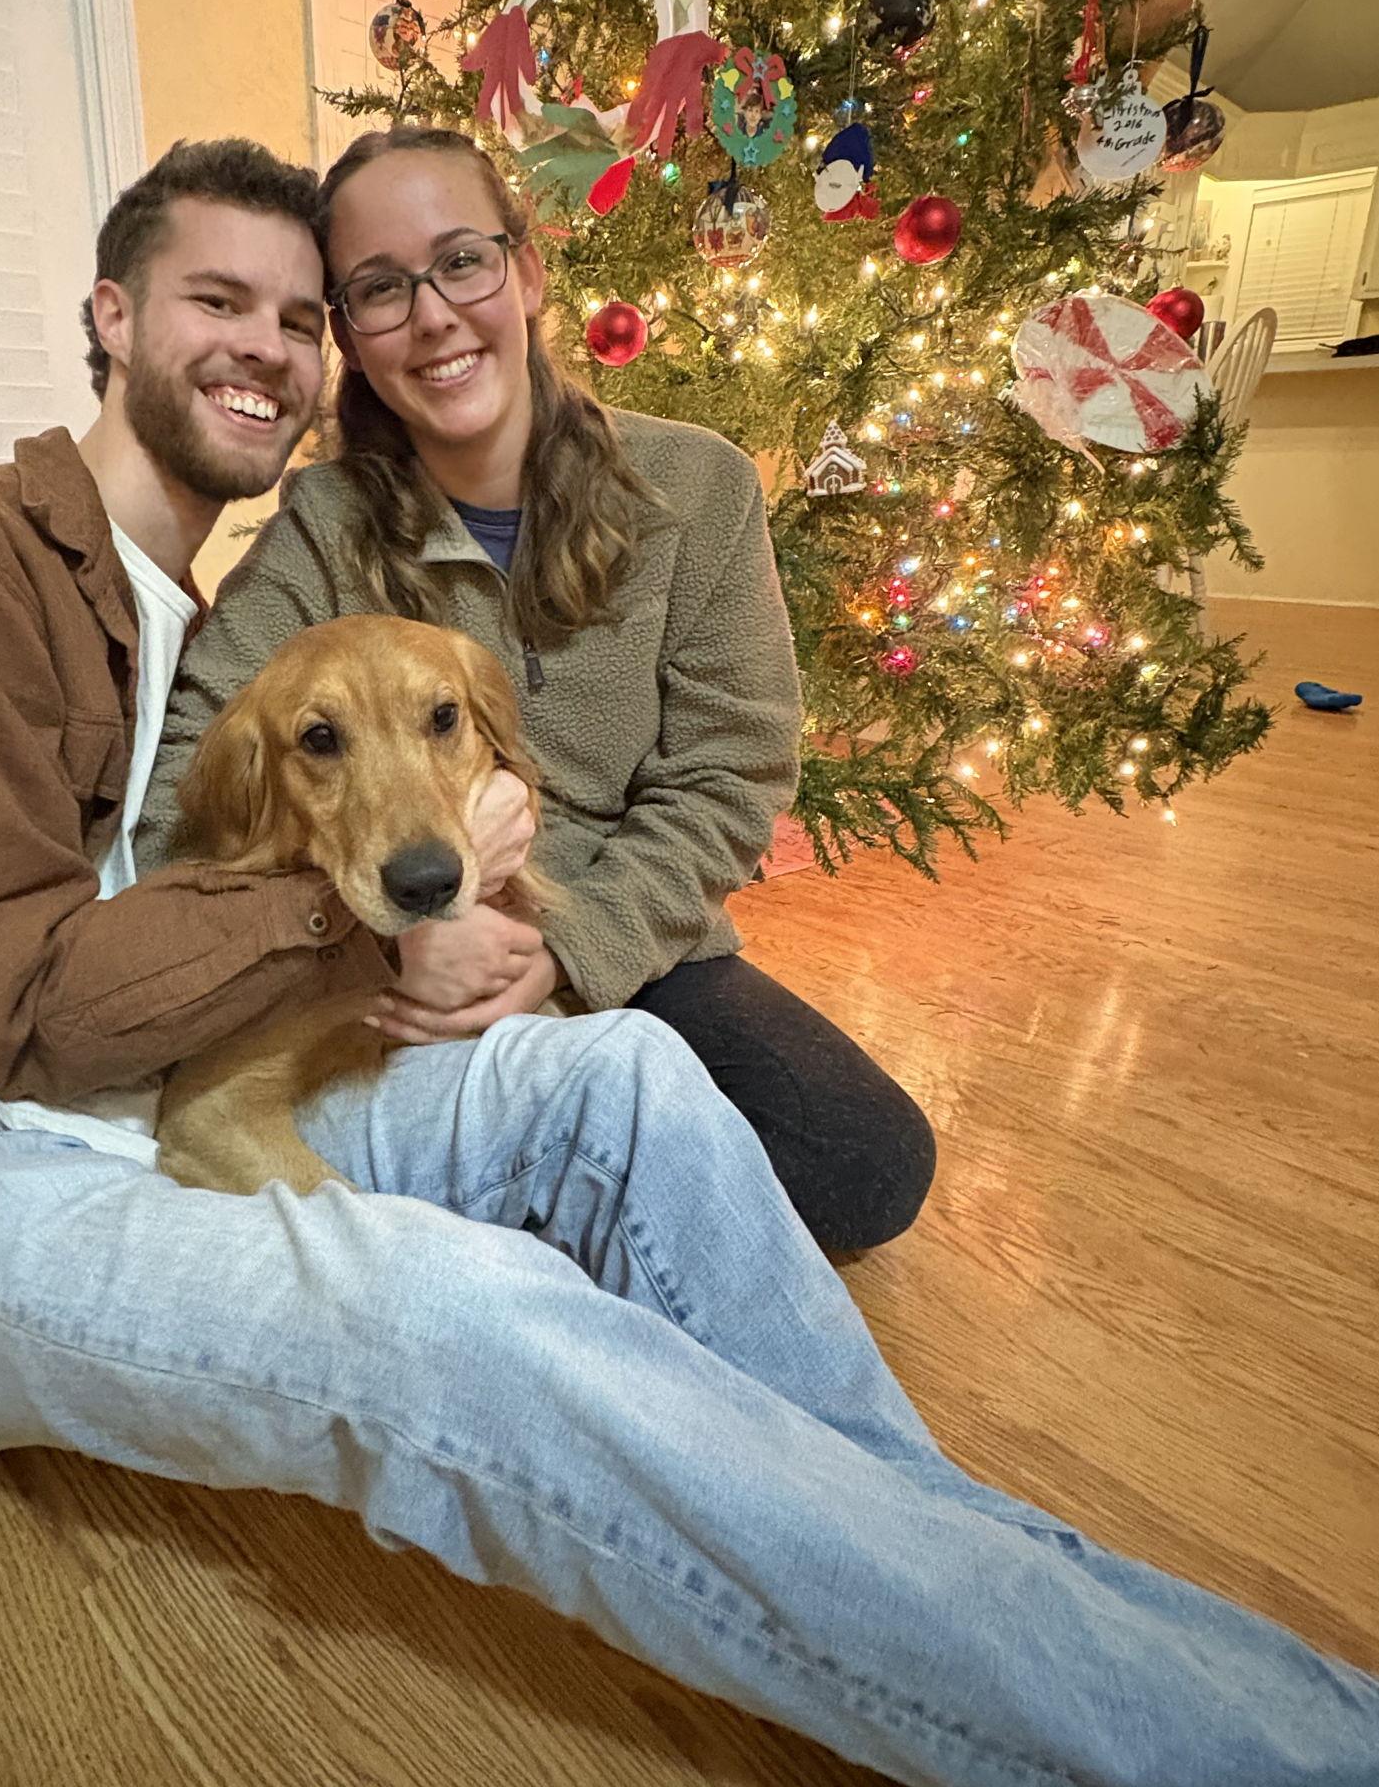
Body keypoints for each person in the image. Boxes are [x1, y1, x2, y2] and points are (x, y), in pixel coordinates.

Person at [0, 138, 1379, 1786]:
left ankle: (971, 1615)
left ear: (507, 282)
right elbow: (59, 981)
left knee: (646, 1079)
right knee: (460, 1318)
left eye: (300, 309)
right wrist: (397, 882)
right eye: (230, 298)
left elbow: (697, 780)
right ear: (110, 316)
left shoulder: (199, 583)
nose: (286, 338)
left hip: (219, 1057)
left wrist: (534, 926)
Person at [137, 123, 934, 1255]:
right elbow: (187, 786)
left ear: (526, 267)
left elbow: (732, 771)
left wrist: (569, 950)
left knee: (864, 1163)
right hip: (384, 955)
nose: (430, 315)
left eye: (460, 260)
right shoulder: (325, 527)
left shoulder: (696, 486)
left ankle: (512, 1205)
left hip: (626, 947)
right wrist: (370, 938)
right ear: (352, 340)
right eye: (376, 288)